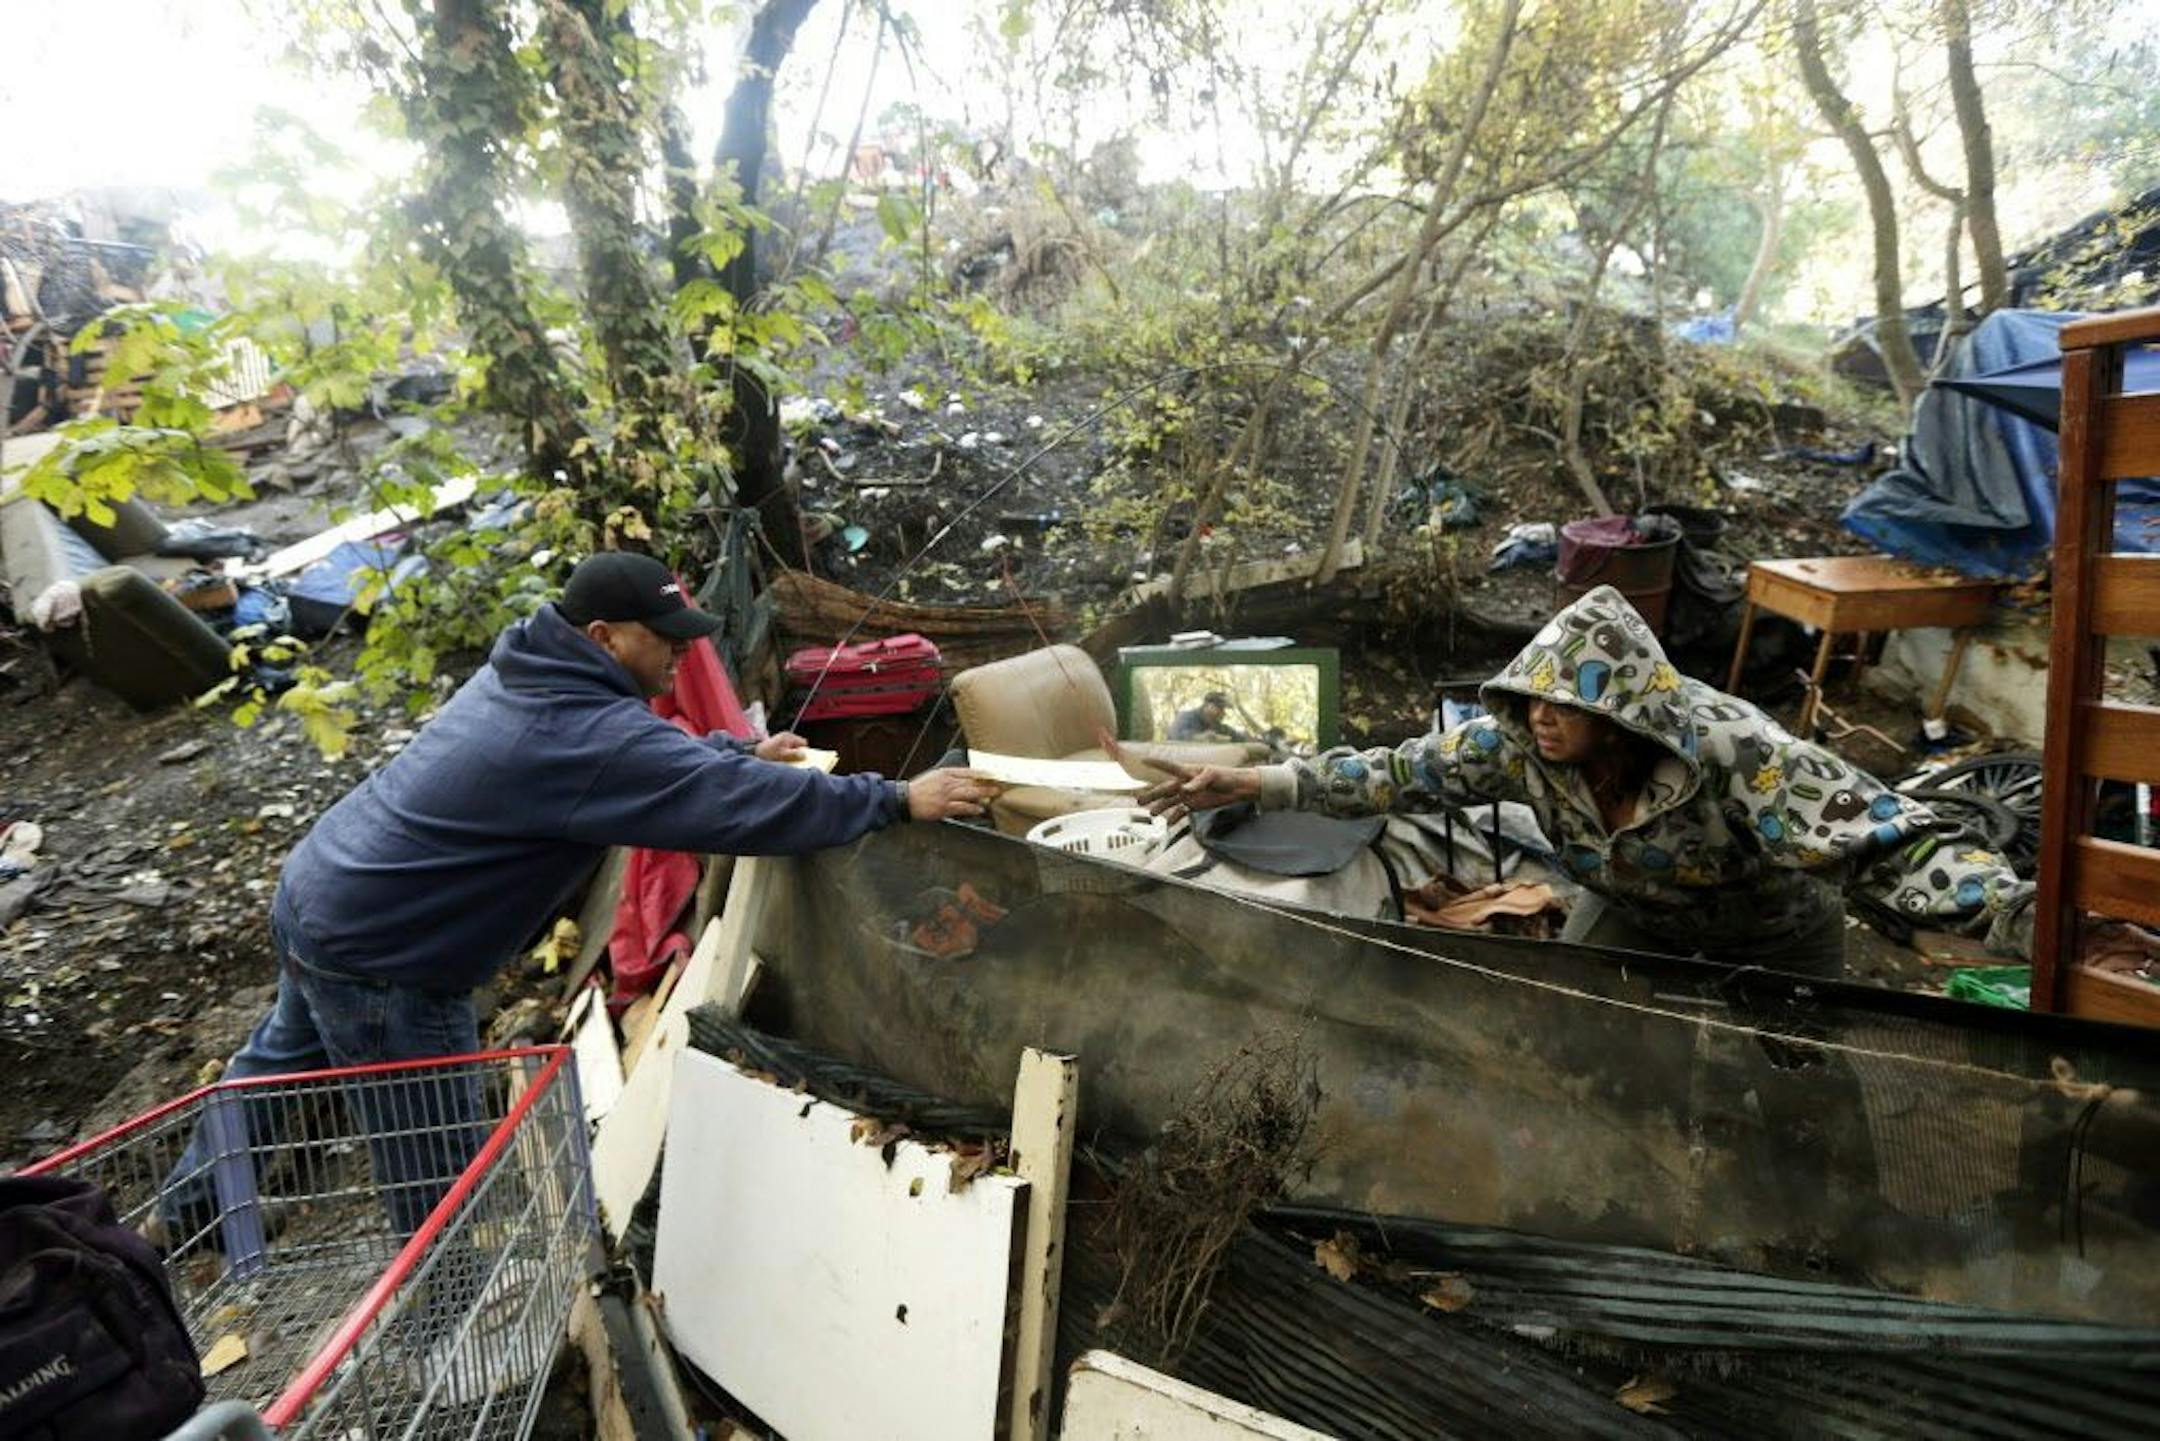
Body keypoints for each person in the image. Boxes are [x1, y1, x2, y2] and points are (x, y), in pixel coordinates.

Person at [158, 551, 994, 1245]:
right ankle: (445, 1330)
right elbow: (723, 804)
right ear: (604, 635)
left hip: (324, 886)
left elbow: (639, 756)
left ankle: (185, 1214)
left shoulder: (534, 671)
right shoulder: (581, 732)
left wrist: (734, 749)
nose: (679, 653)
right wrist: (894, 799)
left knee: (271, 1070)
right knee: (435, 1161)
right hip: (392, 956)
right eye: (663, 639)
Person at [1140, 585, 2032, 974]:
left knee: (1801, 1088)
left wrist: (2008, 908)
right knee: (1586, 1023)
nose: (1540, 719)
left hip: (1771, 933)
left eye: (1561, 704)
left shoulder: (1736, 751)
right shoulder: (1523, 747)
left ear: (1628, 714)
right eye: (1528, 703)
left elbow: (1884, 838)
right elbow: (1399, 772)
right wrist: (1258, 785)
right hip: (1637, 915)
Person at [1169, 690, 1246, 743]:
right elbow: (1177, 736)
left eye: (1223, 710)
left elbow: (1237, 737)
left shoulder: (1218, 726)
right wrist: (1201, 738)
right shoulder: (1185, 717)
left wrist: (1246, 737)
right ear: (1206, 705)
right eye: (1219, 708)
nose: (1222, 713)